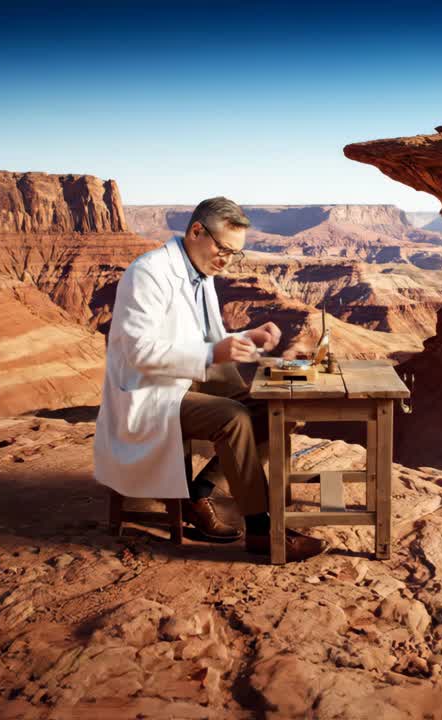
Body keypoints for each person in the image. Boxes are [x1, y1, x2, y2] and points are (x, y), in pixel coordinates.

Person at [93, 196, 326, 560]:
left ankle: (200, 491)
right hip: (150, 390)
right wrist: (213, 354)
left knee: (278, 408)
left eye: (235, 254)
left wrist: (247, 337)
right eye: (223, 249)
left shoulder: (201, 274)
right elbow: (139, 353)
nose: (227, 260)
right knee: (233, 418)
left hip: (186, 378)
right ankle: (264, 530)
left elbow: (203, 338)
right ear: (197, 231)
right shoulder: (149, 274)